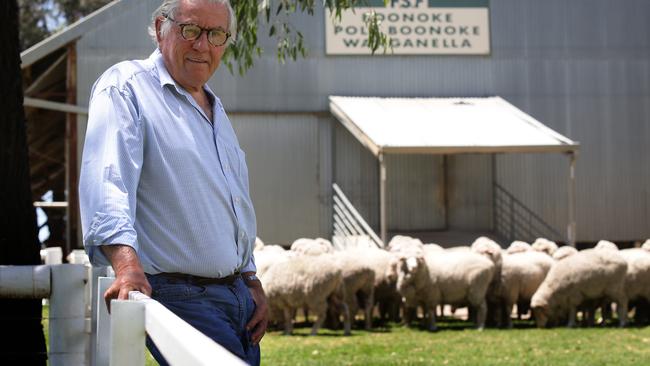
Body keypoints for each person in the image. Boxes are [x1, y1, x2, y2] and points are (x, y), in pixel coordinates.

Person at [78, 0, 267, 364]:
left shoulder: (214, 108)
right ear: (162, 27)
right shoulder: (127, 87)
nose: (202, 45)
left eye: (215, 34)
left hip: (237, 299)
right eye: (191, 30)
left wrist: (250, 278)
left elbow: (233, 204)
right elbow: (107, 181)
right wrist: (127, 267)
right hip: (181, 295)